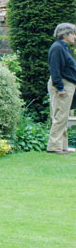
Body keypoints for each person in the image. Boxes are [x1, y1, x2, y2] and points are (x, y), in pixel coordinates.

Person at [47, 22, 76, 154]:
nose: (75, 36)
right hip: (62, 86)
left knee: (63, 116)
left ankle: (62, 146)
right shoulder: (57, 47)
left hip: (67, 85)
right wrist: (60, 88)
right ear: (66, 34)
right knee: (60, 116)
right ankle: (54, 147)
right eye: (73, 33)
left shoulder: (64, 47)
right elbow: (55, 69)